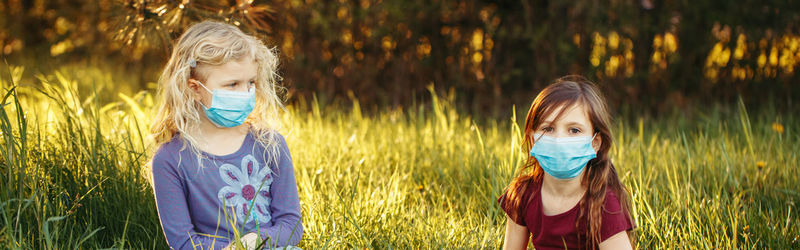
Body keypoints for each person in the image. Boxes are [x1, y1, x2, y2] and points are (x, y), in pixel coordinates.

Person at [147, 20, 302, 249]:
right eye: (232, 84)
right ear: (195, 89)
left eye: (251, 83)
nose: (245, 93)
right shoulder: (171, 159)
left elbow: (291, 225)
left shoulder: (270, 144)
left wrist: (256, 241)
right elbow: (182, 242)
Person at [498, 75, 635, 249]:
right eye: (548, 129)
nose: (559, 140)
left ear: (595, 143)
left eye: (574, 130)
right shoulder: (523, 194)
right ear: (533, 140)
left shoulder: (603, 203)